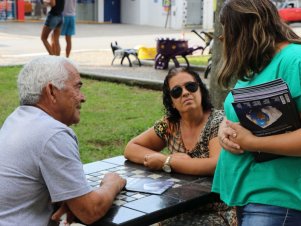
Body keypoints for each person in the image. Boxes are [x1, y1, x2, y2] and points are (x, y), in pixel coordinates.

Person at [0, 55, 126, 225]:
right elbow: (91, 211)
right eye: (77, 87)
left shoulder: (16, 119)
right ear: (51, 91)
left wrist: (70, 201)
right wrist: (112, 183)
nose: (83, 97)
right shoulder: (52, 133)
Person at [212, 0, 301, 225]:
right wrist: (225, 128)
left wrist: (252, 142)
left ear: (246, 29)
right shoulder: (256, 67)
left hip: (278, 197)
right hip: (248, 195)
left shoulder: (295, 60)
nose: (224, 40)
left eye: (227, 32)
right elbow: (239, 113)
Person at [124, 67, 236, 226]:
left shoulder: (218, 121)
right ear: (172, 101)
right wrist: (160, 160)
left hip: (216, 209)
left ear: (201, 90)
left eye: (190, 86)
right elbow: (131, 147)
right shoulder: (169, 125)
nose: (185, 93)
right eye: (176, 91)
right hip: (176, 208)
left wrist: (167, 161)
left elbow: (215, 164)